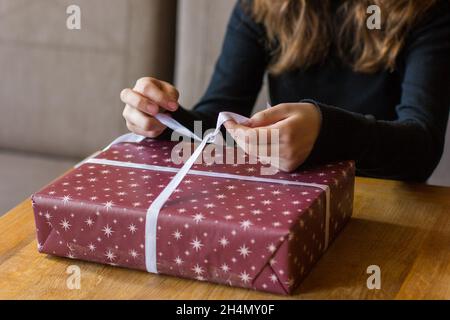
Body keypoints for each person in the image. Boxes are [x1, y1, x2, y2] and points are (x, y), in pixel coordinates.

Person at [120, 0, 450, 181]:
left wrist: (326, 131)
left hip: (382, 210)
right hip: (288, 201)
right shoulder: (261, 6)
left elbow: (421, 149)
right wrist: (166, 120)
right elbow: (216, 125)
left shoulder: (427, 10)